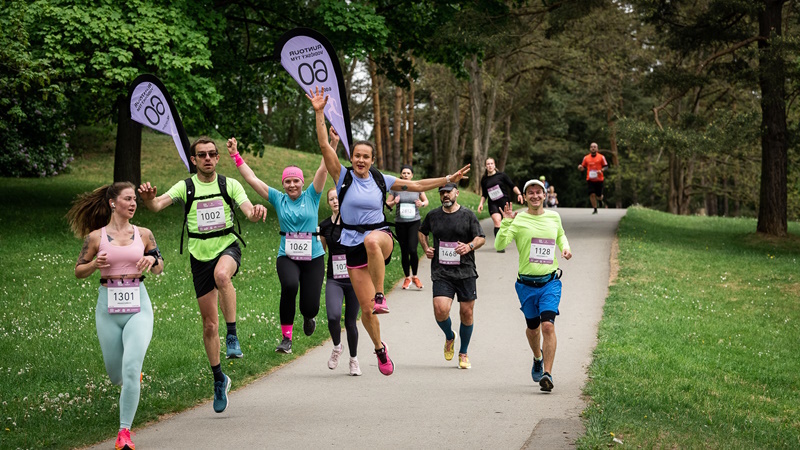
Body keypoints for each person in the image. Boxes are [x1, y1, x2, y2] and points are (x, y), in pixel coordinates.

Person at [308, 86, 470, 376]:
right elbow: (323, 146)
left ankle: (382, 294)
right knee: (365, 311)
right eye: (357, 156)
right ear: (352, 157)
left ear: (372, 160)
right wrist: (319, 113)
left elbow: (417, 185)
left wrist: (448, 178)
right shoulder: (342, 176)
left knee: (371, 241)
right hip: (350, 244)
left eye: (365, 157)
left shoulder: (382, 179)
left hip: (380, 237)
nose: (360, 160)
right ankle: (380, 349)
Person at [138, 137, 267, 413]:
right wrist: (148, 200)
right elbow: (157, 205)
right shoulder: (186, 187)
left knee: (223, 276)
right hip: (199, 257)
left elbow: (248, 211)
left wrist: (256, 213)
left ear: (218, 158)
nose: (207, 158)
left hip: (227, 247)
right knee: (209, 326)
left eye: (212, 154)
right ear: (193, 160)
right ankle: (219, 378)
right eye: (201, 155)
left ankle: (232, 336)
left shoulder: (228, 184)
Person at [67, 182, 164, 450]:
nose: (133, 204)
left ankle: (124, 432)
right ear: (113, 203)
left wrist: (152, 261)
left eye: (135, 199)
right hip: (108, 307)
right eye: (127, 199)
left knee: (131, 368)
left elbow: (159, 265)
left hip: (138, 305)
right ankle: (130, 378)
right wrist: (93, 264)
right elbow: (78, 271)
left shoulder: (144, 234)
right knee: (116, 375)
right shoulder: (96, 237)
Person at [226, 136, 328, 354]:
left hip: (314, 257)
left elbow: (323, 169)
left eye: (295, 181)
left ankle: (309, 317)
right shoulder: (278, 198)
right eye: (287, 181)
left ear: (302, 182)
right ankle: (286, 338)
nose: (292, 185)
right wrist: (235, 155)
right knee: (289, 286)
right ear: (283, 184)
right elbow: (252, 179)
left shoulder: (313, 195)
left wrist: (333, 146)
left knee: (310, 306)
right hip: (287, 256)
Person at [494, 179, 572, 392]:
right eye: (531, 192)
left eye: (539, 192)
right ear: (525, 196)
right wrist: (507, 222)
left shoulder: (554, 217)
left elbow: (560, 235)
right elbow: (499, 245)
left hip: (550, 282)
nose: (535, 196)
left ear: (545, 195)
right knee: (532, 328)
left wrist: (565, 248)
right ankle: (537, 357)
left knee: (547, 325)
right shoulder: (518, 220)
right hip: (526, 285)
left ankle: (547, 373)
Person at [418, 183, 485, 369]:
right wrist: (426, 248)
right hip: (442, 271)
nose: (445, 195)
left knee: (467, 313)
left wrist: (469, 246)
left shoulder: (467, 215)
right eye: (442, 193)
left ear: (456, 193)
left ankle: (463, 353)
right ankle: (449, 336)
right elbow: (422, 232)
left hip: (465, 271)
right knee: (440, 310)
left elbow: (480, 237)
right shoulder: (433, 215)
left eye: (448, 192)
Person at [319, 187, 362, 375]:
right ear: (328, 203)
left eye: (338, 198)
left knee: (351, 322)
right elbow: (321, 252)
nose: (335, 201)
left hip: (354, 278)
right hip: (334, 278)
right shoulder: (325, 225)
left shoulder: (354, 223)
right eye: (331, 199)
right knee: (333, 317)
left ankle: (354, 360)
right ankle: (337, 347)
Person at [387, 164, 429, 290]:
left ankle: (415, 276)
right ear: (401, 175)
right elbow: (387, 204)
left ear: (412, 176)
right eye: (403, 173)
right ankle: (407, 278)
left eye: (408, 173)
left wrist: (421, 203)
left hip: (414, 222)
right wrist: (394, 202)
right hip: (400, 223)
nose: (405, 175)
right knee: (404, 250)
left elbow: (426, 201)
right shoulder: (395, 188)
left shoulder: (417, 187)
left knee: (412, 249)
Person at [477, 157, 523, 251]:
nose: (489, 166)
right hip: (493, 203)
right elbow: (484, 194)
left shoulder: (501, 175)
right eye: (488, 164)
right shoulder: (484, 179)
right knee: (497, 221)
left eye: (491, 164)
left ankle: (507, 236)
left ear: (494, 165)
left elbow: (512, 185)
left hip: (504, 202)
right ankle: (500, 245)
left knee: (506, 223)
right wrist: (481, 204)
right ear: (485, 166)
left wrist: (519, 194)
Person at [577, 142, 609, 214]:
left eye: (594, 147)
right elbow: (583, 167)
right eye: (592, 147)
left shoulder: (601, 157)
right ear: (590, 148)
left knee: (599, 195)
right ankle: (595, 209)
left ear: (597, 148)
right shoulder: (586, 158)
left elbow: (606, 166)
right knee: (592, 194)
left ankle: (600, 200)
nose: (593, 148)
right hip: (590, 179)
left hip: (599, 179)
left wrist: (601, 170)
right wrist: (580, 167)